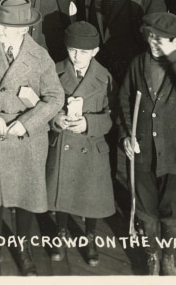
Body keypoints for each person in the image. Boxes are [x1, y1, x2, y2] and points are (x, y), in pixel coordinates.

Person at [0, 0, 65, 276]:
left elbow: (55, 98)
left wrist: (27, 122)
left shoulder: (40, 56)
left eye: (4, 27)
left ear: (23, 29)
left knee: (26, 196)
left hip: (26, 137)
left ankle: (22, 247)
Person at [119, 12, 176, 276]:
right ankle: (152, 255)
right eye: (152, 36)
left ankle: (168, 256)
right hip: (144, 152)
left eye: (164, 40)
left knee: (172, 210)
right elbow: (123, 100)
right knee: (146, 210)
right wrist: (125, 134)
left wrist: (174, 57)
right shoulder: (138, 63)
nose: (155, 43)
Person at [44, 23, 116, 268]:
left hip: (91, 144)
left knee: (90, 195)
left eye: (84, 52)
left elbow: (111, 115)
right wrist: (56, 119)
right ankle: (61, 231)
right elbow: (44, 106)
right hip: (63, 140)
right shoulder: (54, 71)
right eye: (73, 50)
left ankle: (90, 235)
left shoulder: (104, 77)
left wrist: (89, 123)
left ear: (95, 51)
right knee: (62, 191)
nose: (77, 56)